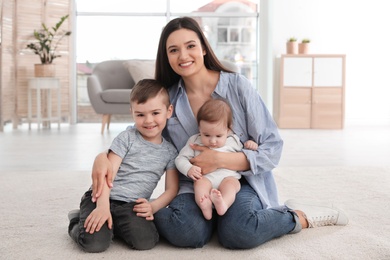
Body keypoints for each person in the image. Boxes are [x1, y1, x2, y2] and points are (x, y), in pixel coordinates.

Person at [91, 17, 348, 249]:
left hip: (238, 181)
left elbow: (272, 147)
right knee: (185, 232)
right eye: (174, 50)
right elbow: (141, 129)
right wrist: (105, 155)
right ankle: (208, 220)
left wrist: (221, 160)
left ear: (203, 48)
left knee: (239, 234)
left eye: (190, 46)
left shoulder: (237, 86)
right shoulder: (168, 98)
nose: (183, 55)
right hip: (194, 185)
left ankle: (295, 216)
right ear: (167, 57)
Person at [67, 79, 179, 252]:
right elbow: (107, 175)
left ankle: (114, 226)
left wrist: (153, 206)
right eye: (140, 114)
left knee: (146, 241)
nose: (148, 120)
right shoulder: (126, 138)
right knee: (95, 243)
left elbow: (172, 189)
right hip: (102, 197)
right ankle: (76, 220)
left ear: (168, 111)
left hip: (130, 205)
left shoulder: (170, 151)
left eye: (155, 113)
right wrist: (102, 206)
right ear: (132, 113)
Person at [175, 98, 258, 220]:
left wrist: (251, 145)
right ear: (199, 128)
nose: (212, 141)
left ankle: (223, 203)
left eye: (218, 136)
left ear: (228, 130)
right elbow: (180, 159)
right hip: (206, 178)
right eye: (206, 135)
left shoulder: (233, 140)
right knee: (199, 184)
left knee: (231, 186)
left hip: (228, 177)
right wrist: (189, 169)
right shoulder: (194, 141)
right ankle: (205, 205)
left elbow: (245, 156)